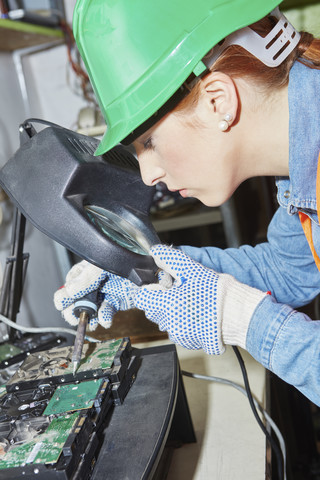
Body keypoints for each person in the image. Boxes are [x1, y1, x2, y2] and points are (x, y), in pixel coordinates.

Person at [54, 0, 320, 406]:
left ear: (218, 101)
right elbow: (290, 270)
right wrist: (145, 270)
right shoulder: (302, 160)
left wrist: (242, 319)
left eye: (149, 143)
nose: (147, 175)